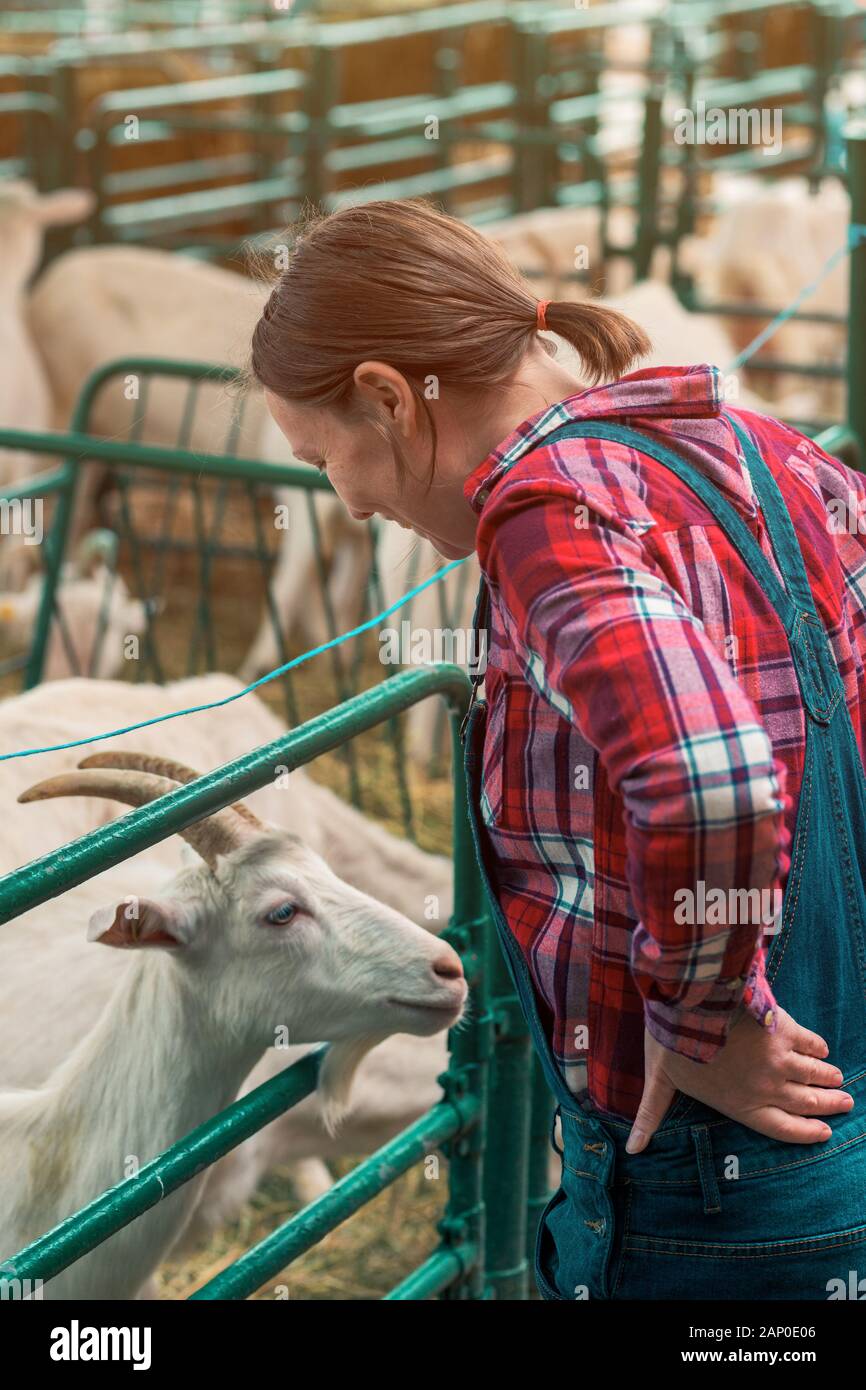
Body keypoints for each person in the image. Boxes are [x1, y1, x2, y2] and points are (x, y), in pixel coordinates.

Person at [249, 197, 866, 1301]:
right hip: (836, 1128)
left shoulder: (544, 518)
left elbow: (707, 778)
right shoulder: (751, 448)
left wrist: (702, 1015)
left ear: (390, 398)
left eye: (324, 454)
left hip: (706, 1187)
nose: (340, 503)